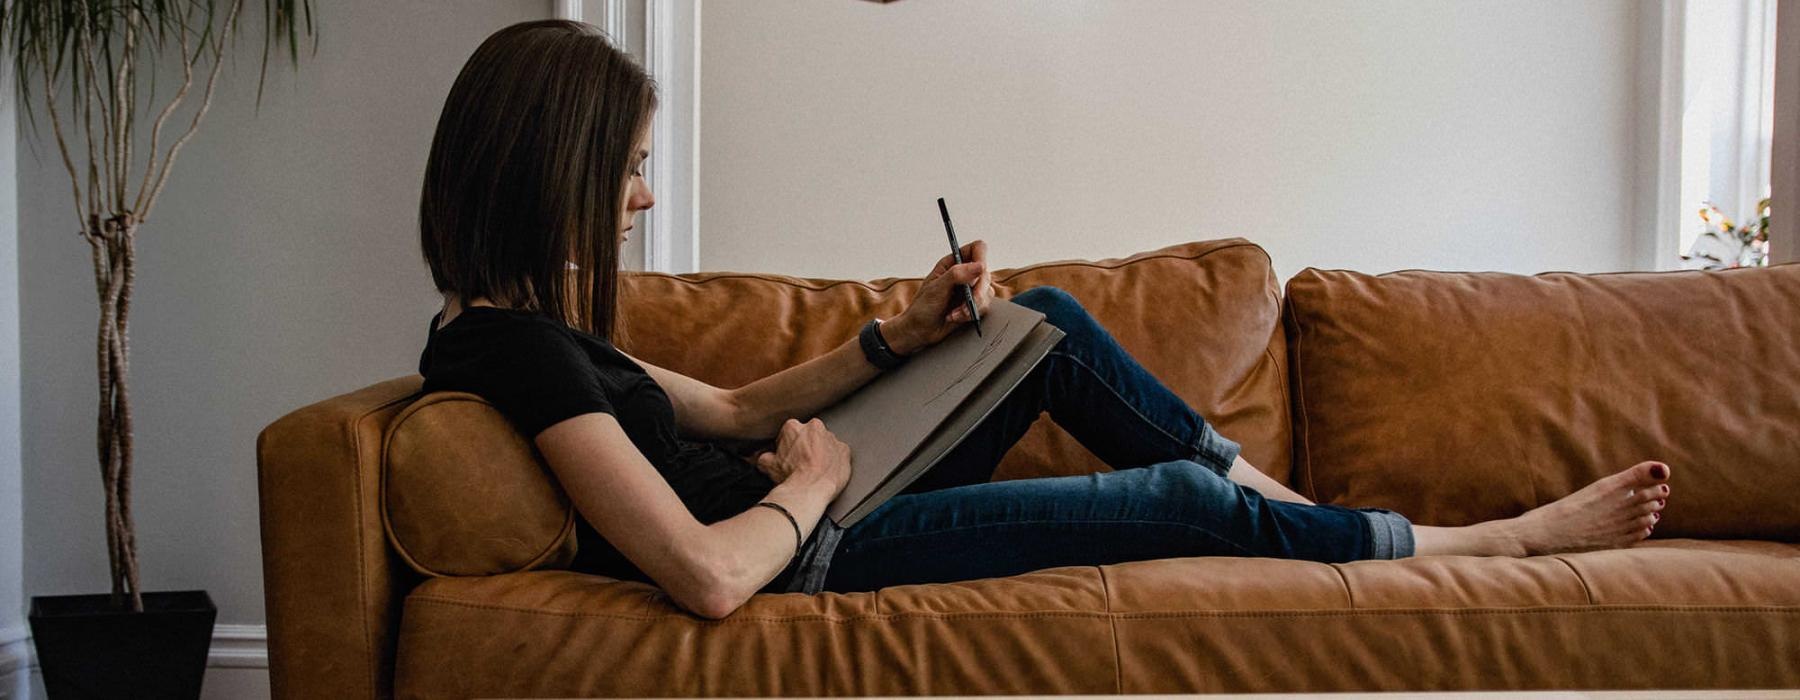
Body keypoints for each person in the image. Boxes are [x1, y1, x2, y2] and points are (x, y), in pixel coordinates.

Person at [416, 20, 1672, 620]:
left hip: (810, 499)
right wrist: (809, 487)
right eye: (628, 166)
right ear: (553, 164)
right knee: (1176, 506)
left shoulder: (539, 327)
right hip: (806, 542)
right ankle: (1476, 545)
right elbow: (701, 573)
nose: (641, 194)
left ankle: (1301, 518)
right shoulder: (506, 351)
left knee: (1045, 324)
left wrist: (902, 336)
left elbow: (735, 409)